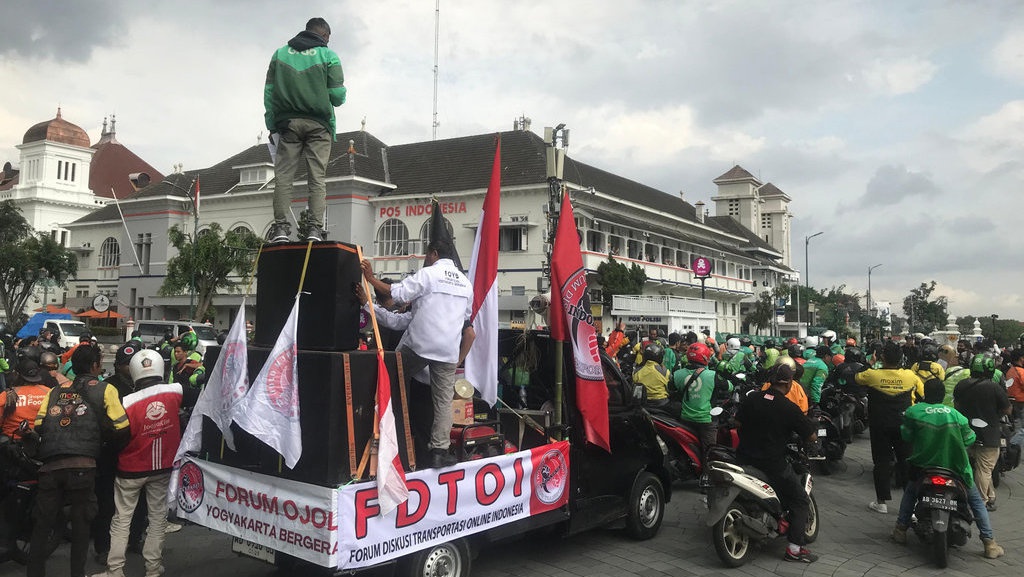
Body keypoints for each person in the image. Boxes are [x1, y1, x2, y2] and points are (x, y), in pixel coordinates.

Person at [361, 239, 472, 469]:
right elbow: (465, 320)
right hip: (448, 351)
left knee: (389, 380)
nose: (425, 260)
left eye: (426, 256)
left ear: (433, 254)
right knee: (442, 404)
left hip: (420, 344)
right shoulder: (465, 283)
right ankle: (439, 451)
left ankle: (382, 434)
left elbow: (396, 293)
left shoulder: (429, 275)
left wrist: (371, 279)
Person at [28, 344, 129, 577]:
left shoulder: (55, 392)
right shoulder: (106, 389)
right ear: (95, 366)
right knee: (82, 525)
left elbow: (39, 425)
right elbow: (122, 426)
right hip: (84, 467)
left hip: (50, 466)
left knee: (41, 527)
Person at [91, 350, 192, 577]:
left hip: (130, 470)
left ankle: (115, 570)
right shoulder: (176, 391)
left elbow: (114, 433)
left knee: (121, 520)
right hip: (164, 468)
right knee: (157, 519)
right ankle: (153, 569)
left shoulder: (126, 402)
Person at [891, 379, 1004, 559]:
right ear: (943, 396)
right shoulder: (957, 416)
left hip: (923, 467)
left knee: (911, 493)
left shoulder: (914, 412)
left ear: (925, 394)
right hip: (956, 469)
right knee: (975, 502)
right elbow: (969, 439)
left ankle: (901, 529)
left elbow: (906, 435)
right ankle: (989, 543)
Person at [264, 17, 347, 243]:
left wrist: (272, 124)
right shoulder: (328, 55)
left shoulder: (279, 54)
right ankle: (314, 230)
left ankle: (280, 229)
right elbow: (338, 97)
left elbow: (269, 93)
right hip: (319, 125)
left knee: (283, 177)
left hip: (288, 124)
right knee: (316, 178)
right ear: (325, 36)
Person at [735, 362, 818, 563]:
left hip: (743, 458)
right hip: (772, 464)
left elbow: (737, 423)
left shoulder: (752, 398)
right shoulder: (789, 408)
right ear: (789, 383)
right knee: (799, 500)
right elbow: (812, 437)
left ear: (770, 381)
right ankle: (795, 549)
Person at [92, 343, 147, 565]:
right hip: (111, 452)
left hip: (137, 452)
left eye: (131, 364)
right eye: (125, 365)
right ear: (118, 366)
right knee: (106, 502)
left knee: (139, 502)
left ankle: (134, 538)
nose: (129, 368)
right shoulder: (107, 387)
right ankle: (103, 546)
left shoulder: (144, 386)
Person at [855, 341, 924, 514]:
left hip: (880, 425)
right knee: (906, 461)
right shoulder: (910, 376)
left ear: (882, 357)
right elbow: (922, 394)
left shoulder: (872, 375)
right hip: (904, 424)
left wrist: (871, 362)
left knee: (881, 462)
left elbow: (857, 377)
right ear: (901, 358)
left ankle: (882, 502)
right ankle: (913, 504)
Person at [953, 353, 1011, 511]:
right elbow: (1007, 409)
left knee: (981, 468)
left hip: (966, 432)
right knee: (985, 469)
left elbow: (957, 406)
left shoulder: (962, 385)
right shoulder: (994, 387)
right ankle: (981, 501)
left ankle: (991, 497)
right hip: (989, 434)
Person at [673, 342, 723, 449]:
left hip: (685, 419)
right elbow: (729, 386)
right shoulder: (712, 375)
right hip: (706, 420)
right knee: (709, 452)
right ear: (705, 357)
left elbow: (671, 388)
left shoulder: (678, 374)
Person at [0, 357, 52, 439]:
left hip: (11, 442)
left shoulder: (7, 394)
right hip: (41, 442)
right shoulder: (49, 392)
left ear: (17, 375)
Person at [633, 342, 671, 409]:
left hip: (644, 404)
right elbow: (670, 387)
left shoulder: (636, 371)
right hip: (662, 403)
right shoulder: (664, 371)